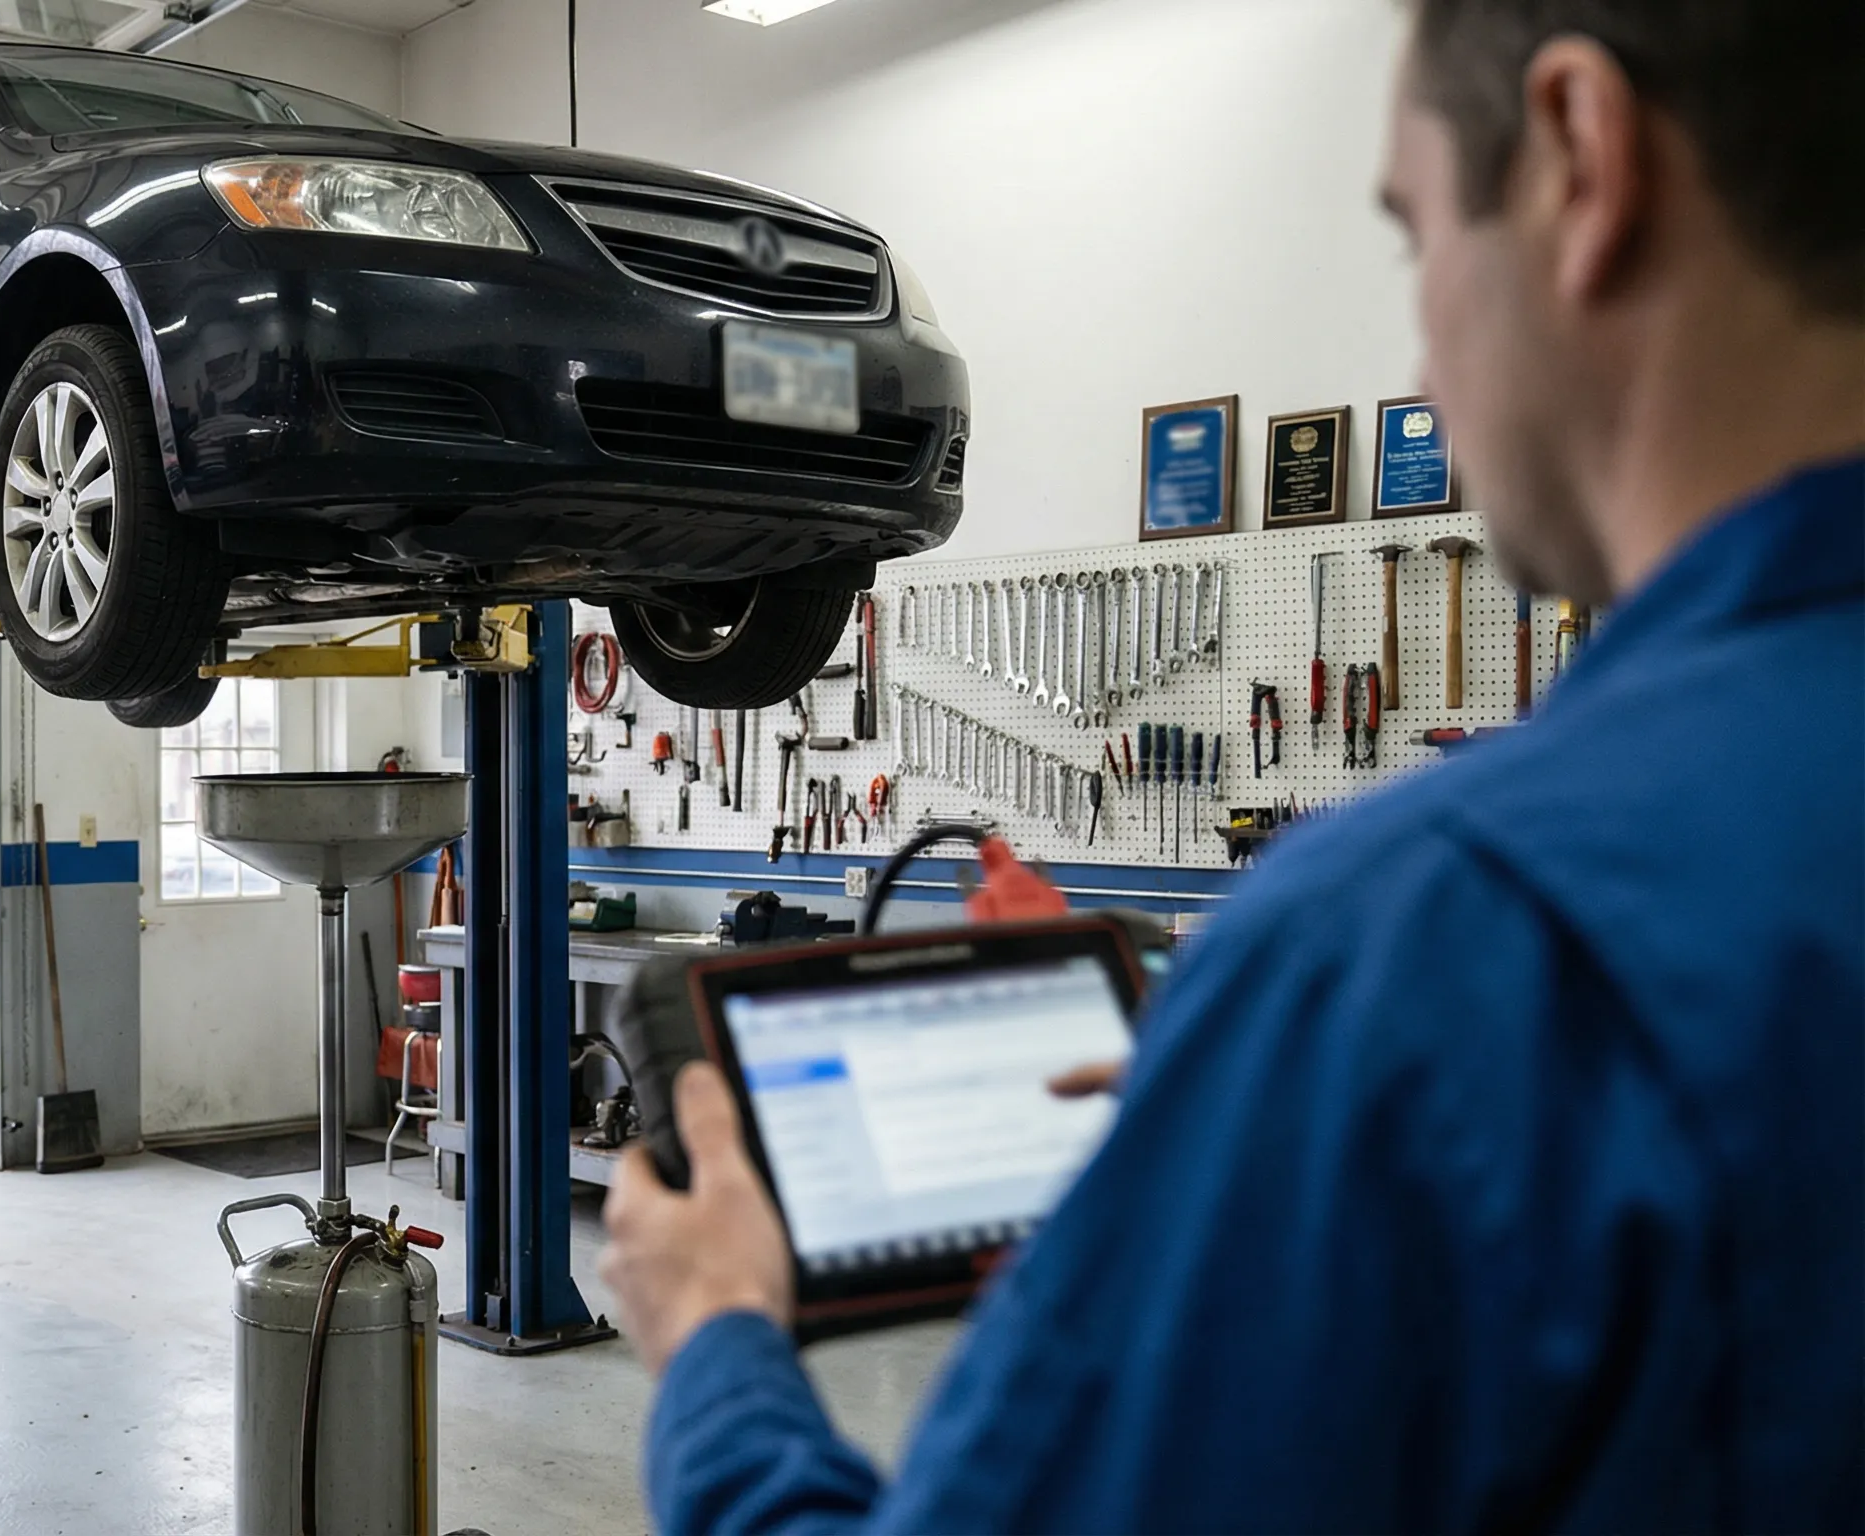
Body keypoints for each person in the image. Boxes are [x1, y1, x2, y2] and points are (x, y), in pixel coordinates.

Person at [601, 0, 1864, 1528]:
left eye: (1417, 238)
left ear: (1582, 164)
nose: (1424, 353)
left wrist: (722, 1341)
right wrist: (1276, 1130)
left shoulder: (1435, 952)